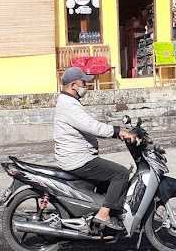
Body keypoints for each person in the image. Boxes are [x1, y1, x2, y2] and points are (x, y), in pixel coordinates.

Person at [54, 67, 135, 232]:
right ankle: (103, 215)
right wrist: (117, 131)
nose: (86, 86)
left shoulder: (69, 102)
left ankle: (100, 213)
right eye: (83, 83)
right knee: (121, 173)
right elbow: (92, 126)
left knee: (107, 177)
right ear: (73, 85)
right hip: (78, 159)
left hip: (77, 156)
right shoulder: (69, 105)